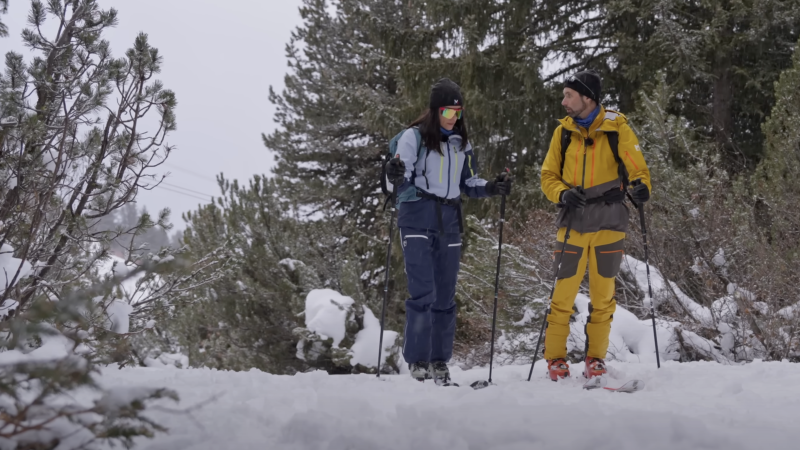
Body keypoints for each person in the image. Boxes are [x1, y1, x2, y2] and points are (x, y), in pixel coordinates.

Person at [384, 78, 512, 385]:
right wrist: (394, 174)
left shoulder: (460, 143)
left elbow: (469, 183)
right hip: (417, 217)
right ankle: (417, 361)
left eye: (457, 110)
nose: (453, 116)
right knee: (423, 291)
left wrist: (492, 187)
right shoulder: (412, 138)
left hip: (449, 222)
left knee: (445, 294)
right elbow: (396, 182)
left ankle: (439, 360)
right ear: (434, 110)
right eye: (447, 110)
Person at [539, 69, 651, 381]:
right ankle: (556, 360)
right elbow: (548, 176)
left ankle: (596, 360)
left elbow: (636, 167)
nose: (564, 102)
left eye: (569, 95)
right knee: (562, 297)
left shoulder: (617, 127)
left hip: (610, 222)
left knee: (603, 299)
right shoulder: (563, 132)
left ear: (588, 98)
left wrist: (641, 187)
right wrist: (562, 193)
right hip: (573, 222)